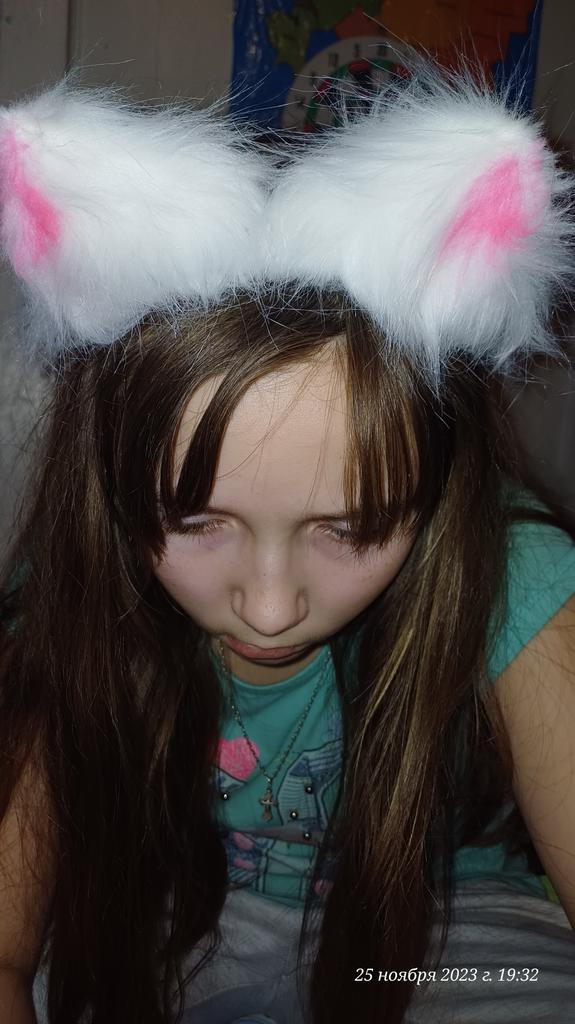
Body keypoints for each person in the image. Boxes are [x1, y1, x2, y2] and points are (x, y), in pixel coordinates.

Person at [0, 56, 574, 1024]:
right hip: (162, 898)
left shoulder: (513, 575)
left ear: (438, 491)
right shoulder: (80, 582)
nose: (270, 609)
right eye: (194, 522)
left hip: (449, 923)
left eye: (351, 528)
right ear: (111, 495)